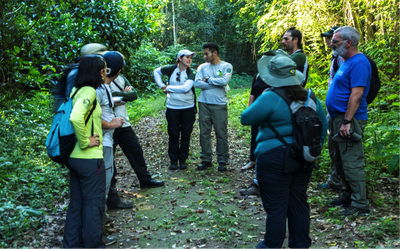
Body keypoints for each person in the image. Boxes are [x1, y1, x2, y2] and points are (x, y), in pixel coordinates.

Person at [241, 54, 327, 249]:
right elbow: (322, 127)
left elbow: (246, 118)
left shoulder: (271, 96)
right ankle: (300, 245)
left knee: (276, 206)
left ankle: (271, 245)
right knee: (298, 203)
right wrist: (311, 152)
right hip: (303, 157)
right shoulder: (310, 97)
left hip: (273, 159)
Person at [326, 26, 371, 216]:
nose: (331, 44)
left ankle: (360, 204)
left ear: (348, 42)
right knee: (340, 159)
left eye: (335, 41)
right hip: (338, 118)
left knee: (352, 161)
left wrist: (347, 121)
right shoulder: (345, 60)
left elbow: (357, 95)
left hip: (348, 120)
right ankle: (348, 194)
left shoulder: (359, 63)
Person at [63, 55, 107, 248]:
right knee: (93, 204)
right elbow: (76, 118)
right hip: (89, 159)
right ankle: (94, 244)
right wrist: (85, 141)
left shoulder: (76, 90)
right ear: (97, 72)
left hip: (74, 157)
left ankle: (72, 245)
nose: (106, 73)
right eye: (104, 70)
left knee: (77, 203)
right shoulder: (89, 91)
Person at [240, 49, 288, 196]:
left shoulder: (276, 88)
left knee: (269, 148)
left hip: (274, 122)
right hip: (261, 115)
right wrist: (252, 110)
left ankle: (261, 184)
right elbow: (252, 95)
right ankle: (259, 180)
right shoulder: (260, 76)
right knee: (260, 143)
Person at [108, 73, 164, 192]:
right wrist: (123, 95)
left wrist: (118, 96)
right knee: (109, 157)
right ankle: (111, 188)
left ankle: (145, 180)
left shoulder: (121, 78)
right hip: (109, 124)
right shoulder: (102, 79)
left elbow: (133, 95)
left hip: (124, 123)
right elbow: (105, 97)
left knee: (135, 150)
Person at [153, 49, 197, 170]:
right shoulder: (171, 69)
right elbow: (156, 71)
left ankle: (183, 159)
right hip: (172, 107)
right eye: (187, 57)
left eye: (190, 57)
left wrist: (168, 88)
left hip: (188, 107)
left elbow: (186, 88)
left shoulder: (192, 71)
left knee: (186, 134)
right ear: (179, 58)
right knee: (173, 133)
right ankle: (173, 159)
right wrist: (161, 85)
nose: (189, 59)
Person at [95, 51, 125, 223]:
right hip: (101, 141)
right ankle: (96, 223)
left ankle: (101, 215)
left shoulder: (104, 87)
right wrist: (110, 124)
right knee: (103, 182)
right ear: (118, 71)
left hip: (106, 140)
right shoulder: (97, 89)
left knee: (107, 178)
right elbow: (88, 117)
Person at [194, 43, 233, 171]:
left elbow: (224, 81)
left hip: (219, 104)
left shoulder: (226, 66)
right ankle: (206, 159)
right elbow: (197, 83)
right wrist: (216, 82)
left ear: (215, 53)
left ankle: (222, 160)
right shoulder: (202, 67)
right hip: (203, 103)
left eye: (207, 54)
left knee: (221, 133)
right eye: (204, 54)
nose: (204, 56)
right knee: (204, 133)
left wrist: (208, 80)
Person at [318, 26, 344, 191]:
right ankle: (336, 179)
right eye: (327, 37)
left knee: (339, 147)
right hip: (333, 110)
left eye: (331, 38)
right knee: (333, 145)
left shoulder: (343, 59)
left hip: (340, 111)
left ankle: (340, 182)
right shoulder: (335, 57)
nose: (328, 40)